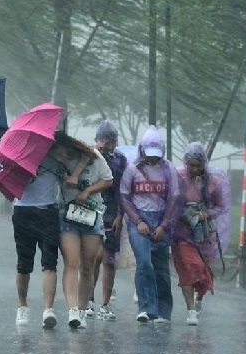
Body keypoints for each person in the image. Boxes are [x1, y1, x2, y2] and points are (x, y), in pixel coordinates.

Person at [48, 131, 112, 329]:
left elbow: (107, 180)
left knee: (88, 265)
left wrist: (87, 191)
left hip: (91, 215)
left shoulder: (93, 157)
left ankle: (83, 310)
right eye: (56, 154)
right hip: (67, 215)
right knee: (71, 262)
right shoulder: (54, 162)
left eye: (62, 153)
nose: (60, 158)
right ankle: (72, 310)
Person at [120, 125, 180, 324]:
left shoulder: (168, 169)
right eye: (149, 153)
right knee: (144, 262)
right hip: (140, 219)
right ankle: (146, 308)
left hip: (162, 217)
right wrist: (137, 221)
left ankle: (164, 310)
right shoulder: (132, 169)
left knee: (161, 266)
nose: (152, 158)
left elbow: (174, 197)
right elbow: (124, 196)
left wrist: (164, 225)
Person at [173, 142, 231, 325]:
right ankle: (190, 310)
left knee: (204, 271)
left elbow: (221, 206)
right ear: (186, 163)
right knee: (190, 267)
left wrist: (206, 213)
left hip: (204, 233)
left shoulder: (212, 181)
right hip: (181, 233)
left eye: (199, 165)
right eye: (191, 165)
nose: (195, 169)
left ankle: (198, 299)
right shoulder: (177, 177)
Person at [83, 120, 129, 321]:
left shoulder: (120, 160)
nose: (109, 145)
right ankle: (89, 300)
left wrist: (120, 214)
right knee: (95, 256)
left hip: (112, 212)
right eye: (105, 141)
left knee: (110, 259)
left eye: (112, 141)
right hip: (92, 209)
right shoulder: (89, 155)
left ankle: (105, 303)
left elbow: (122, 189)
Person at [12, 155, 65, 328]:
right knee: (24, 263)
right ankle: (22, 306)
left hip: (48, 211)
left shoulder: (56, 156)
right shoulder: (18, 156)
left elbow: (65, 181)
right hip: (23, 210)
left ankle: (48, 309)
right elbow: (10, 183)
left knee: (50, 262)